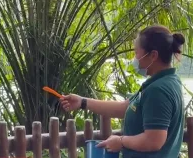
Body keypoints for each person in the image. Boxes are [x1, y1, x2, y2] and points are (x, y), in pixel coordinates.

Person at [60, 25, 185, 158]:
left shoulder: (158, 90)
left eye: (137, 53)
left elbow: (154, 140)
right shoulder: (167, 81)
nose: (135, 58)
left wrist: (121, 141)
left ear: (153, 55)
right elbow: (125, 107)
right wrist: (82, 102)